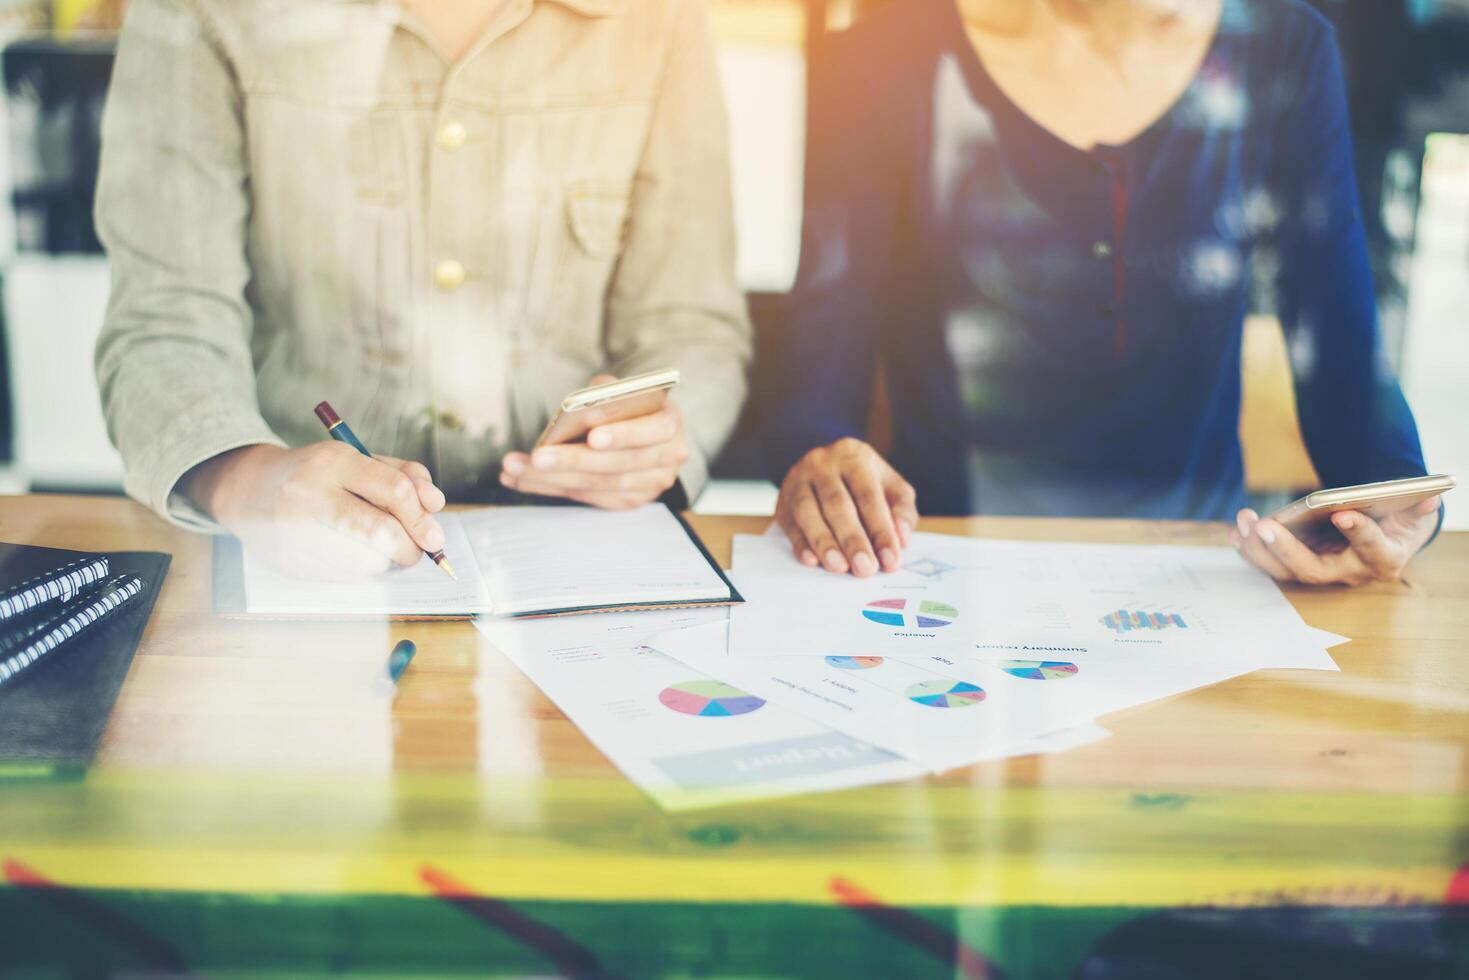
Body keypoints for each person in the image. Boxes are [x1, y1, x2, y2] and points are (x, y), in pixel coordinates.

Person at [767, 0, 1442, 586]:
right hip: (934, 570)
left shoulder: (1285, 47)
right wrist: (821, 460)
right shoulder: (877, 55)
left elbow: (1341, 349)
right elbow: (813, 376)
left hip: (1203, 576)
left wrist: (1393, 509)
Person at [95, 0, 751, 579]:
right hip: (288, 562)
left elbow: (690, 327)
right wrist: (246, 479)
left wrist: (654, 442)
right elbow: (165, 314)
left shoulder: (661, 17)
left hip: (582, 560)